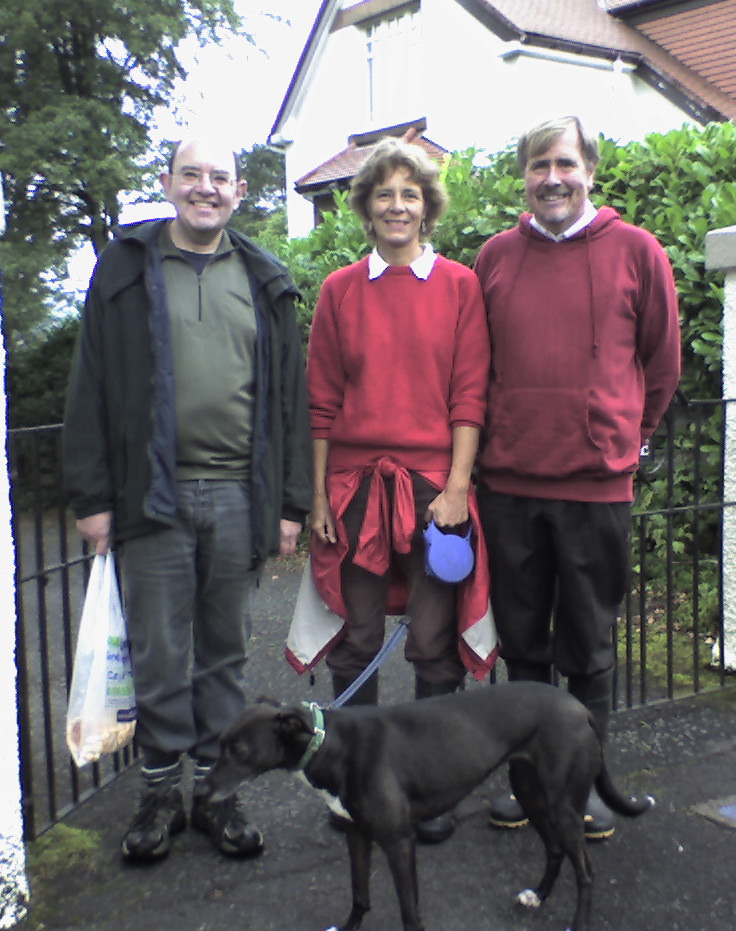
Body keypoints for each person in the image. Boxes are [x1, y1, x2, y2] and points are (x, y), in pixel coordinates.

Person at [63, 135, 312, 864]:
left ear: (240, 192)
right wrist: (91, 495)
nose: (206, 188)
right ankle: (160, 792)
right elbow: (90, 384)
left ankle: (217, 791)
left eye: (221, 177)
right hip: (152, 496)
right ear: (167, 183)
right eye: (192, 174)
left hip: (239, 494)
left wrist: (290, 504)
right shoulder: (124, 270)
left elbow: (291, 402)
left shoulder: (266, 280)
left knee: (225, 654)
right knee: (160, 653)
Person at [474, 115, 681, 838]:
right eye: (538, 165)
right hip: (508, 486)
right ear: (524, 176)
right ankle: (530, 786)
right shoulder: (494, 258)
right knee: (525, 647)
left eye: (564, 163)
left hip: (595, 488)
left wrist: (627, 438)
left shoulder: (637, 251)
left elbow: (661, 365)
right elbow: (478, 367)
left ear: (590, 169)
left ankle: (583, 786)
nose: (552, 178)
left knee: (589, 649)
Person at [286, 137, 497, 843]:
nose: (397, 205)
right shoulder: (340, 290)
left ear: (427, 206)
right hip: (353, 490)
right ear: (367, 209)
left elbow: (470, 398)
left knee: (434, 645)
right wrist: (317, 498)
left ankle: (430, 791)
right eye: (385, 194)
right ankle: (356, 788)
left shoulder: (461, 286)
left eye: (410, 193)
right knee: (355, 638)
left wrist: (459, 487)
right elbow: (321, 403)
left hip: (435, 492)